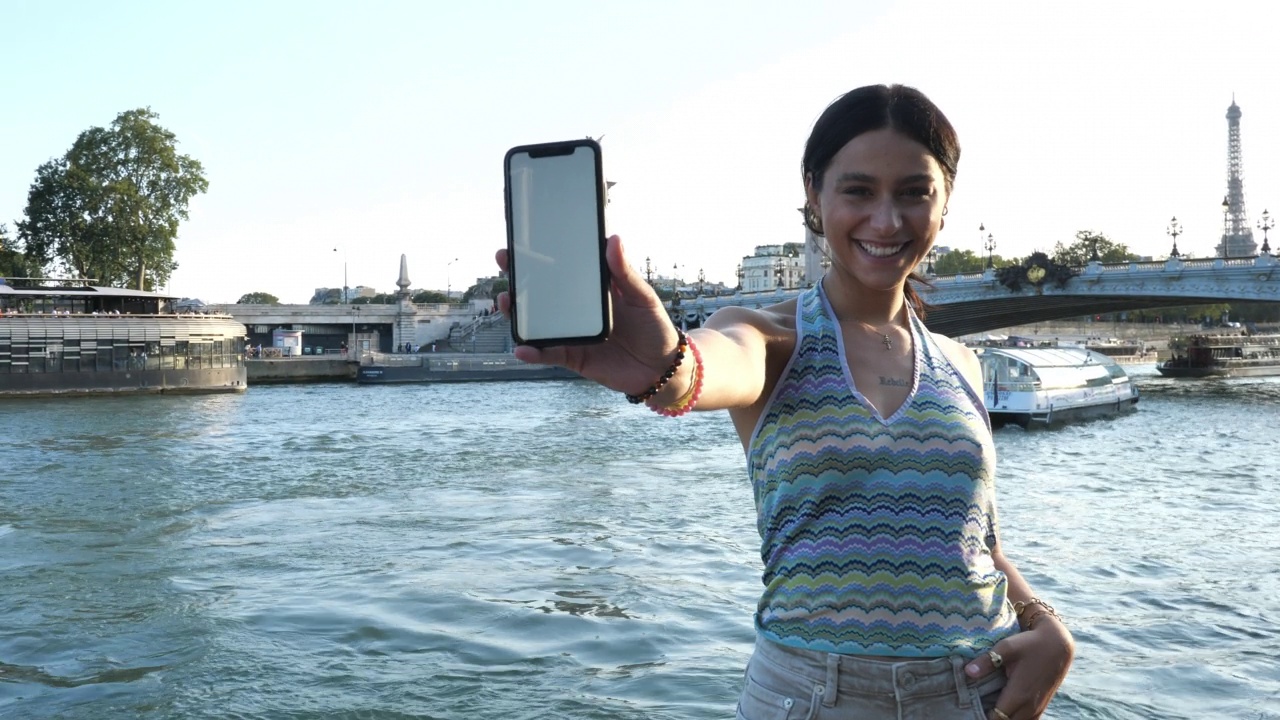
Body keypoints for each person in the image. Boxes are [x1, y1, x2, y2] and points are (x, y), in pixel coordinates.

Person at [495, 84, 1073, 720]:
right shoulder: (771, 338)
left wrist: (1042, 622)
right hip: (813, 698)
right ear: (814, 197)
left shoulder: (960, 364)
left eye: (914, 192)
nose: (887, 221)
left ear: (945, 203)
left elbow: (974, 543)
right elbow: (704, 368)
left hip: (973, 693)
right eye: (858, 191)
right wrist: (663, 366)